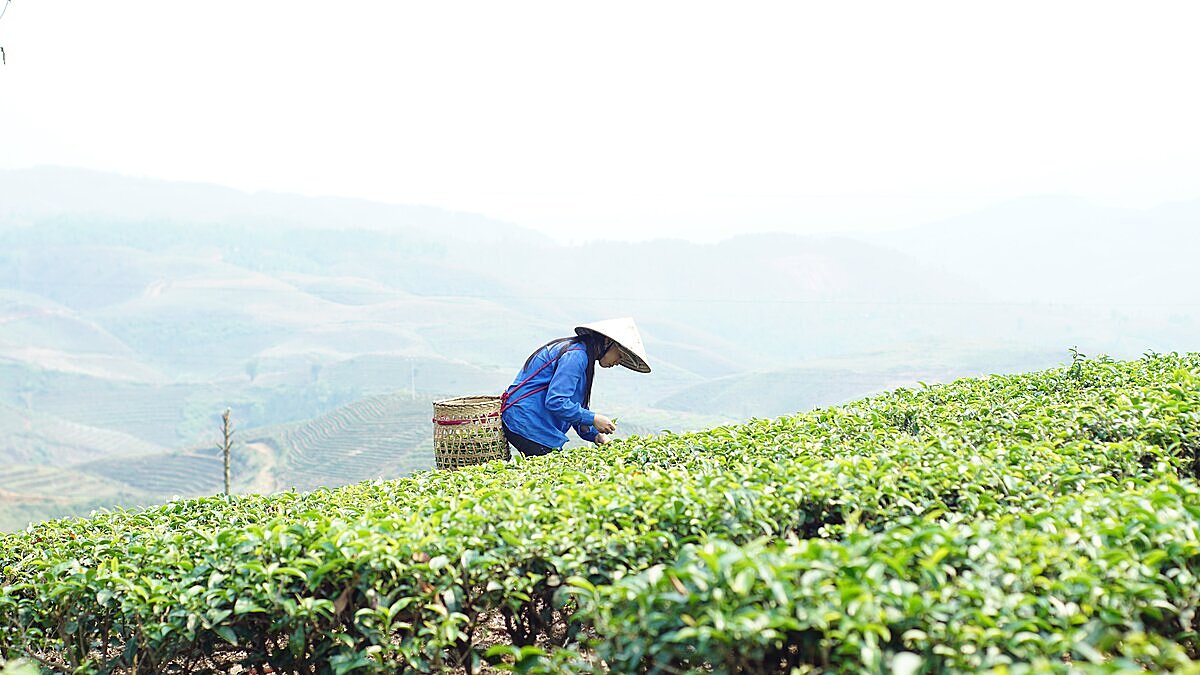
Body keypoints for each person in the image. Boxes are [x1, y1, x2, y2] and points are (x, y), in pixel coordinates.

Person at [501, 317, 651, 456]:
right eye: (620, 355)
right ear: (607, 342)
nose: (618, 362)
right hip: (527, 424)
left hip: (529, 424)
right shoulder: (576, 356)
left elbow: (572, 407)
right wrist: (593, 418)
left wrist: (596, 435)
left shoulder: (583, 356)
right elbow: (556, 402)